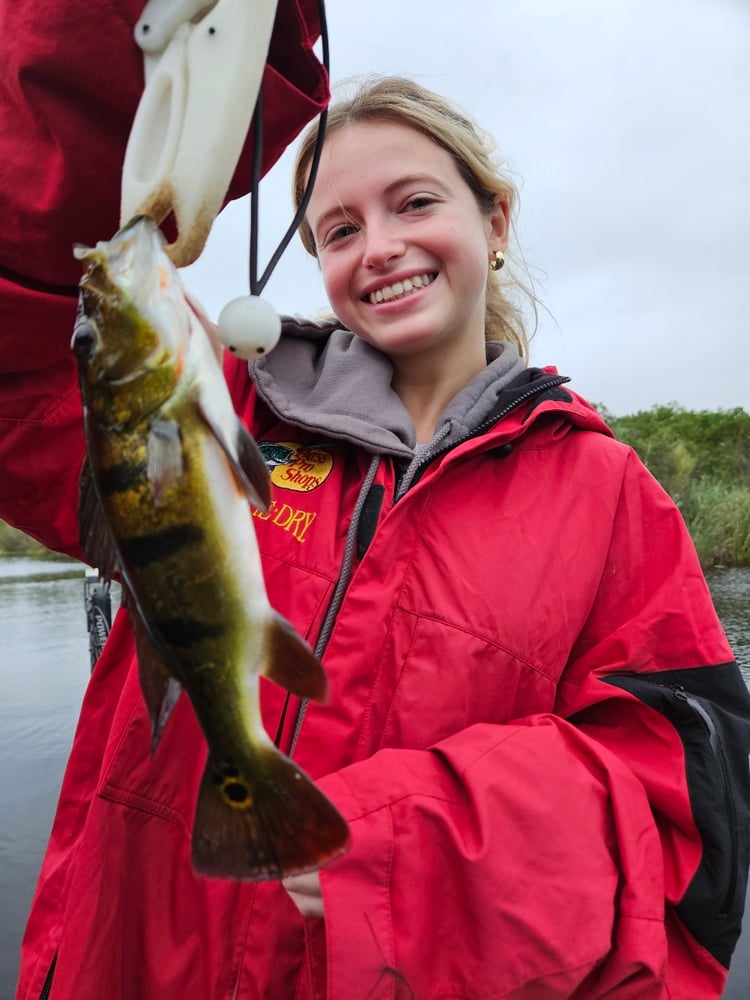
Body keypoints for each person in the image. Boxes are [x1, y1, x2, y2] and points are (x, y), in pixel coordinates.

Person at [2, 6, 749, 999]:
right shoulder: (216, 409)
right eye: (340, 229)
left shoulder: (610, 495)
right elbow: (21, 299)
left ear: (495, 219)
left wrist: (407, 840)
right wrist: (130, 31)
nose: (381, 247)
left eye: (415, 203)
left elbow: (689, 822)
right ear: (314, 262)